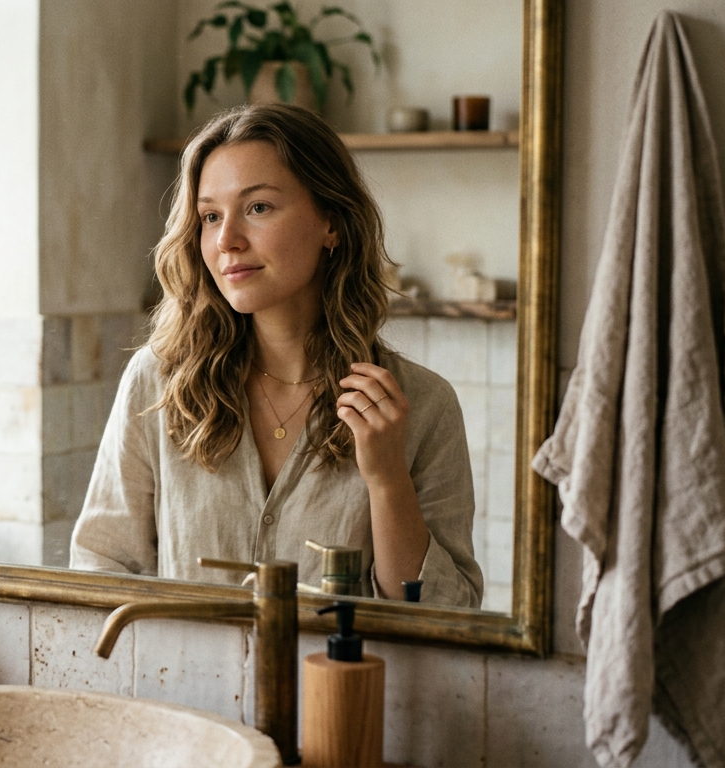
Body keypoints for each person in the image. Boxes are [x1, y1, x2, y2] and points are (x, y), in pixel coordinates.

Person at [70, 104, 482, 608]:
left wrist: (386, 478)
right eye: (210, 216)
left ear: (330, 221)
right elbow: (101, 571)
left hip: (344, 688)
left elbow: (449, 615)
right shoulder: (157, 383)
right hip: (177, 688)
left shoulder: (423, 405)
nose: (227, 241)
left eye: (258, 207)